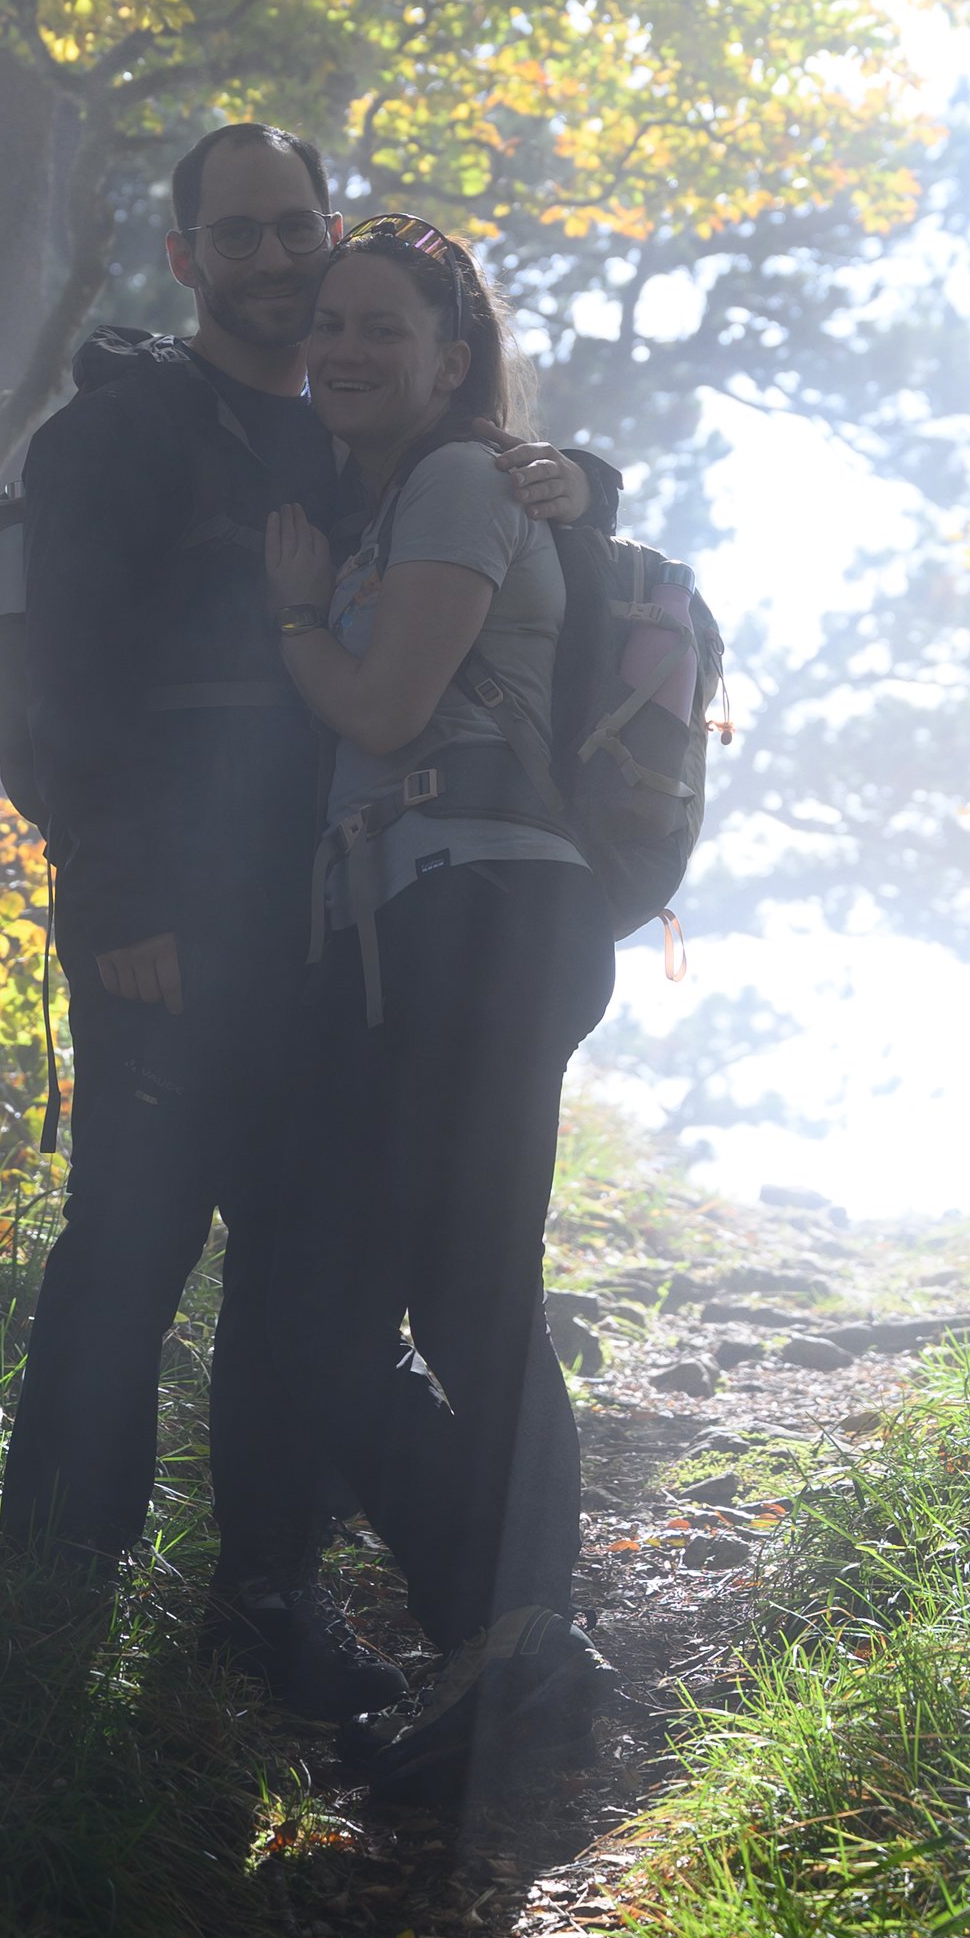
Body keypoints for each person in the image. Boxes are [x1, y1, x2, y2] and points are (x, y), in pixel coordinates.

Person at [0, 124, 610, 1715]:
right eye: (241, 236)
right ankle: (49, 1612)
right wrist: (119, 891)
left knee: (304, 1283)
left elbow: (480, 549)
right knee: (126, 1256)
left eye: (296, 231)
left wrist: (581, 480)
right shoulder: (117, 439)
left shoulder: (357, 442)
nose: (277, 264)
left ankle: (270, 1609)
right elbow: (57, 686)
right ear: (188, 256)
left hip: (349, 949)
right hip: (167, 937)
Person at [260, 215, 618, 1804]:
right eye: (326, 320)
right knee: (354, 1312)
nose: (342, 344)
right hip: (431, 924)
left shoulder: (465, 481)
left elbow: (391, 706)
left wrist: (290, 620)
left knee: (467, 1296)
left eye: (382, 325)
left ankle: (528, 1644)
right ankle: (508, 1635)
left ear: (451, 354)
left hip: (482, 917)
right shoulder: (399, 494)